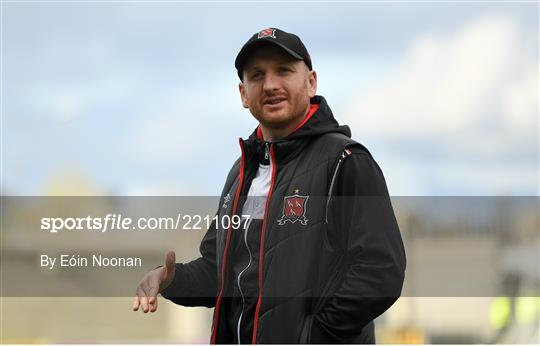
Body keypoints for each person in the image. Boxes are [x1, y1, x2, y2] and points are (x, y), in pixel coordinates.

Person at [133, 28, 406, 344]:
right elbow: (218, 272)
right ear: (243, 93)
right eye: (257, 75)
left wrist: (314, 335)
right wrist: (171, 279)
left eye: (284, 71)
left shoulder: (346, 161)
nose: (271, 84)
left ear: (311, 81)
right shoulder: (240, 175)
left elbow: (380, 272)